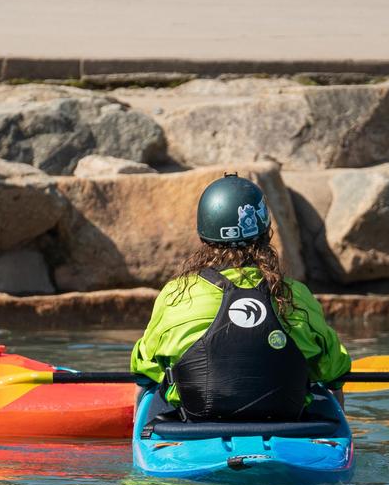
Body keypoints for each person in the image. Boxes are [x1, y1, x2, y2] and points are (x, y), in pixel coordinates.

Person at [131, 174, 351, 420]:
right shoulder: (295, 294)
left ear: (204, 236)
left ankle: (138, 433)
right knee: (328, 389)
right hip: (288, 424)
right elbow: (335, 369)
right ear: (266, 232)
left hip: (195, 425)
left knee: (150, 386)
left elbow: (144, 368)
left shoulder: (175, 294)